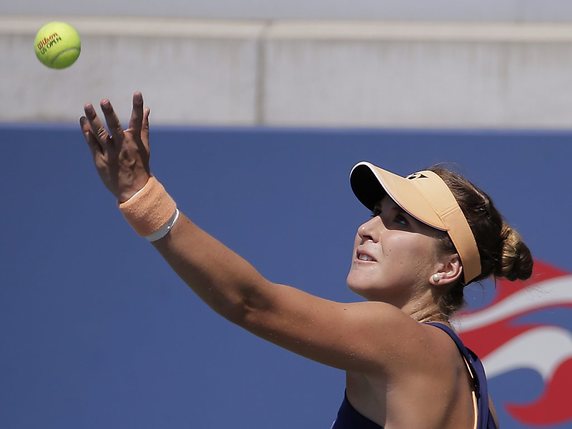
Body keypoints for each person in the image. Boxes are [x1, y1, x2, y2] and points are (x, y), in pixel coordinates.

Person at [80, 92, 532, 429]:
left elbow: (252, 303)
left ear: (446, 269)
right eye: (377, 214)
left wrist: (143, 198)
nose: (369, 228)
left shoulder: (396, 335)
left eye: (401, 222)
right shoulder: (475, 387)